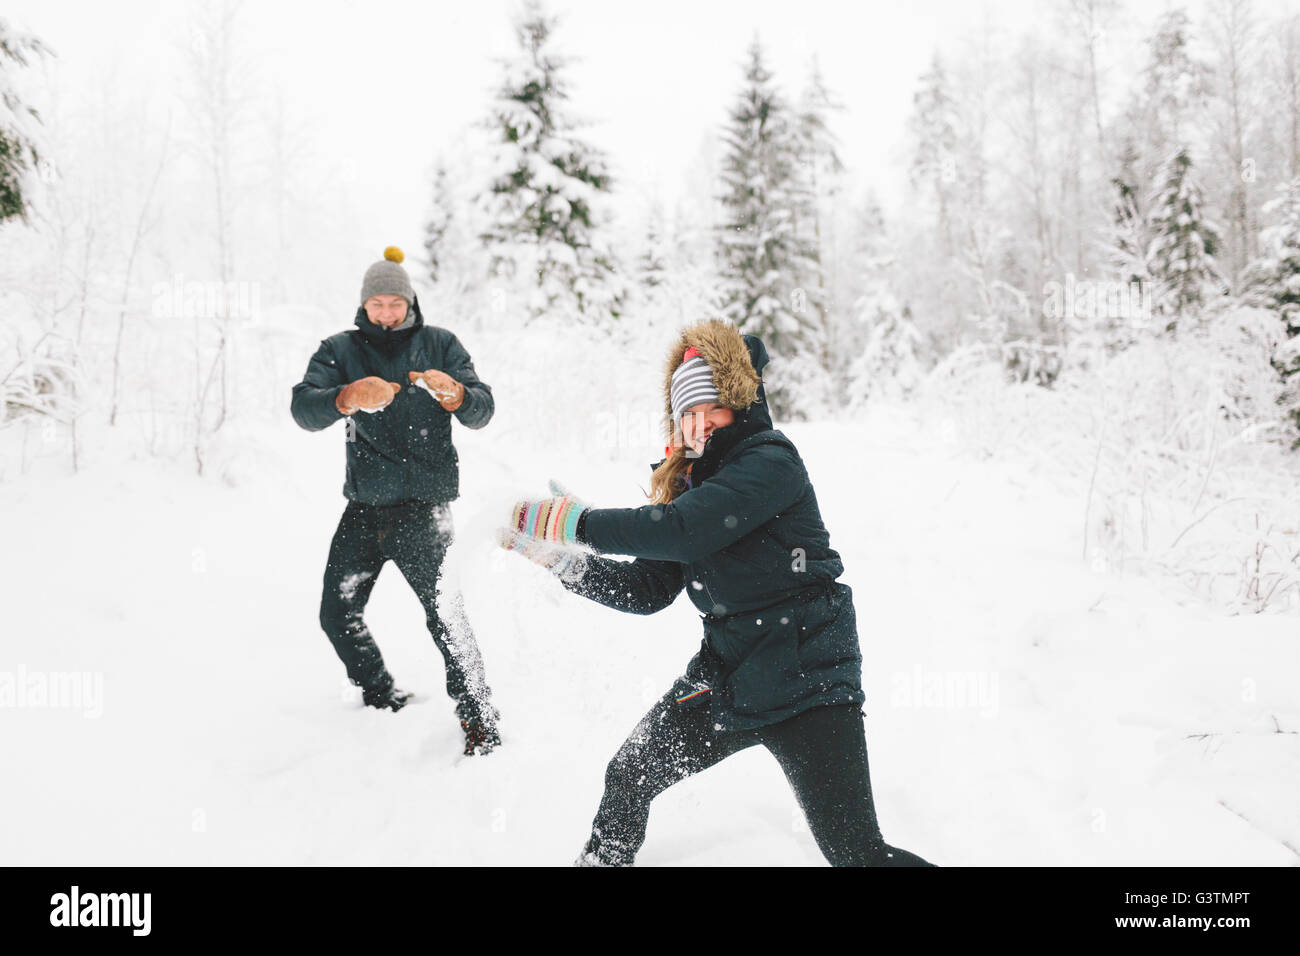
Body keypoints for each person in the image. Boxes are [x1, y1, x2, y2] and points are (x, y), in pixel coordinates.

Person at [498, 318, 935, 865]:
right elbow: (648, 589)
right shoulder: (692, 488)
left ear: (738, 406)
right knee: (630, 773)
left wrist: (577, 523)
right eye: (689, 415)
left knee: (855, 849)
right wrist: (565, 561)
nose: (702, 425)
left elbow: (682, 529)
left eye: (714, 410)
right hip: (729, 676)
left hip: (808, 679)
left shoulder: (769, 461)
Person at [290, 246, 501, 756]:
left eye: (395, 303)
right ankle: (380, 695)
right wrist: (345, 398)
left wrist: (458, 397)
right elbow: (302, 407)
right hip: (364, 509)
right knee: (336, 614)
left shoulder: (441, 344)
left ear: (410, 302)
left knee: (446, 616)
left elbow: (482, 408)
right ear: (364, 305)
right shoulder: (339, 349)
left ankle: (480, 719)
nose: (387, 312)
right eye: (377, 303)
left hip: (425, 509)